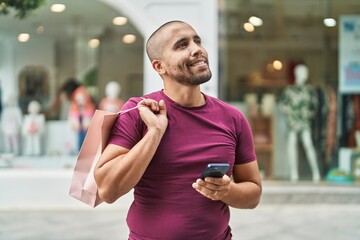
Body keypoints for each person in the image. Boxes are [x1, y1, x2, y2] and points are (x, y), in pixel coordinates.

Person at [94, 20, 262, 240]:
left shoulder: (233, 118)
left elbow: (253, 193)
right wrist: (154, 133)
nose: (197, 49)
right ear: (159, 66)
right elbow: (108, 190)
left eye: (197, 41)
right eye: (182, 45)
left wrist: (227, 191)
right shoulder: (139, 112)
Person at [279, 64, 321, 182]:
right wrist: (290, 114)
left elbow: (315, 106)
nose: (305, 75)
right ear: (297, 74)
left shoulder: (310, 90)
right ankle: (294, 173)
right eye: (303, 72)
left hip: (305, 122)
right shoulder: (289, 90)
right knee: (291, 145)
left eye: (305, 72)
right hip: (293, 122)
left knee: (308, 144)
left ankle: (316, 172)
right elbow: (283, 105)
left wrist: (307, 114)